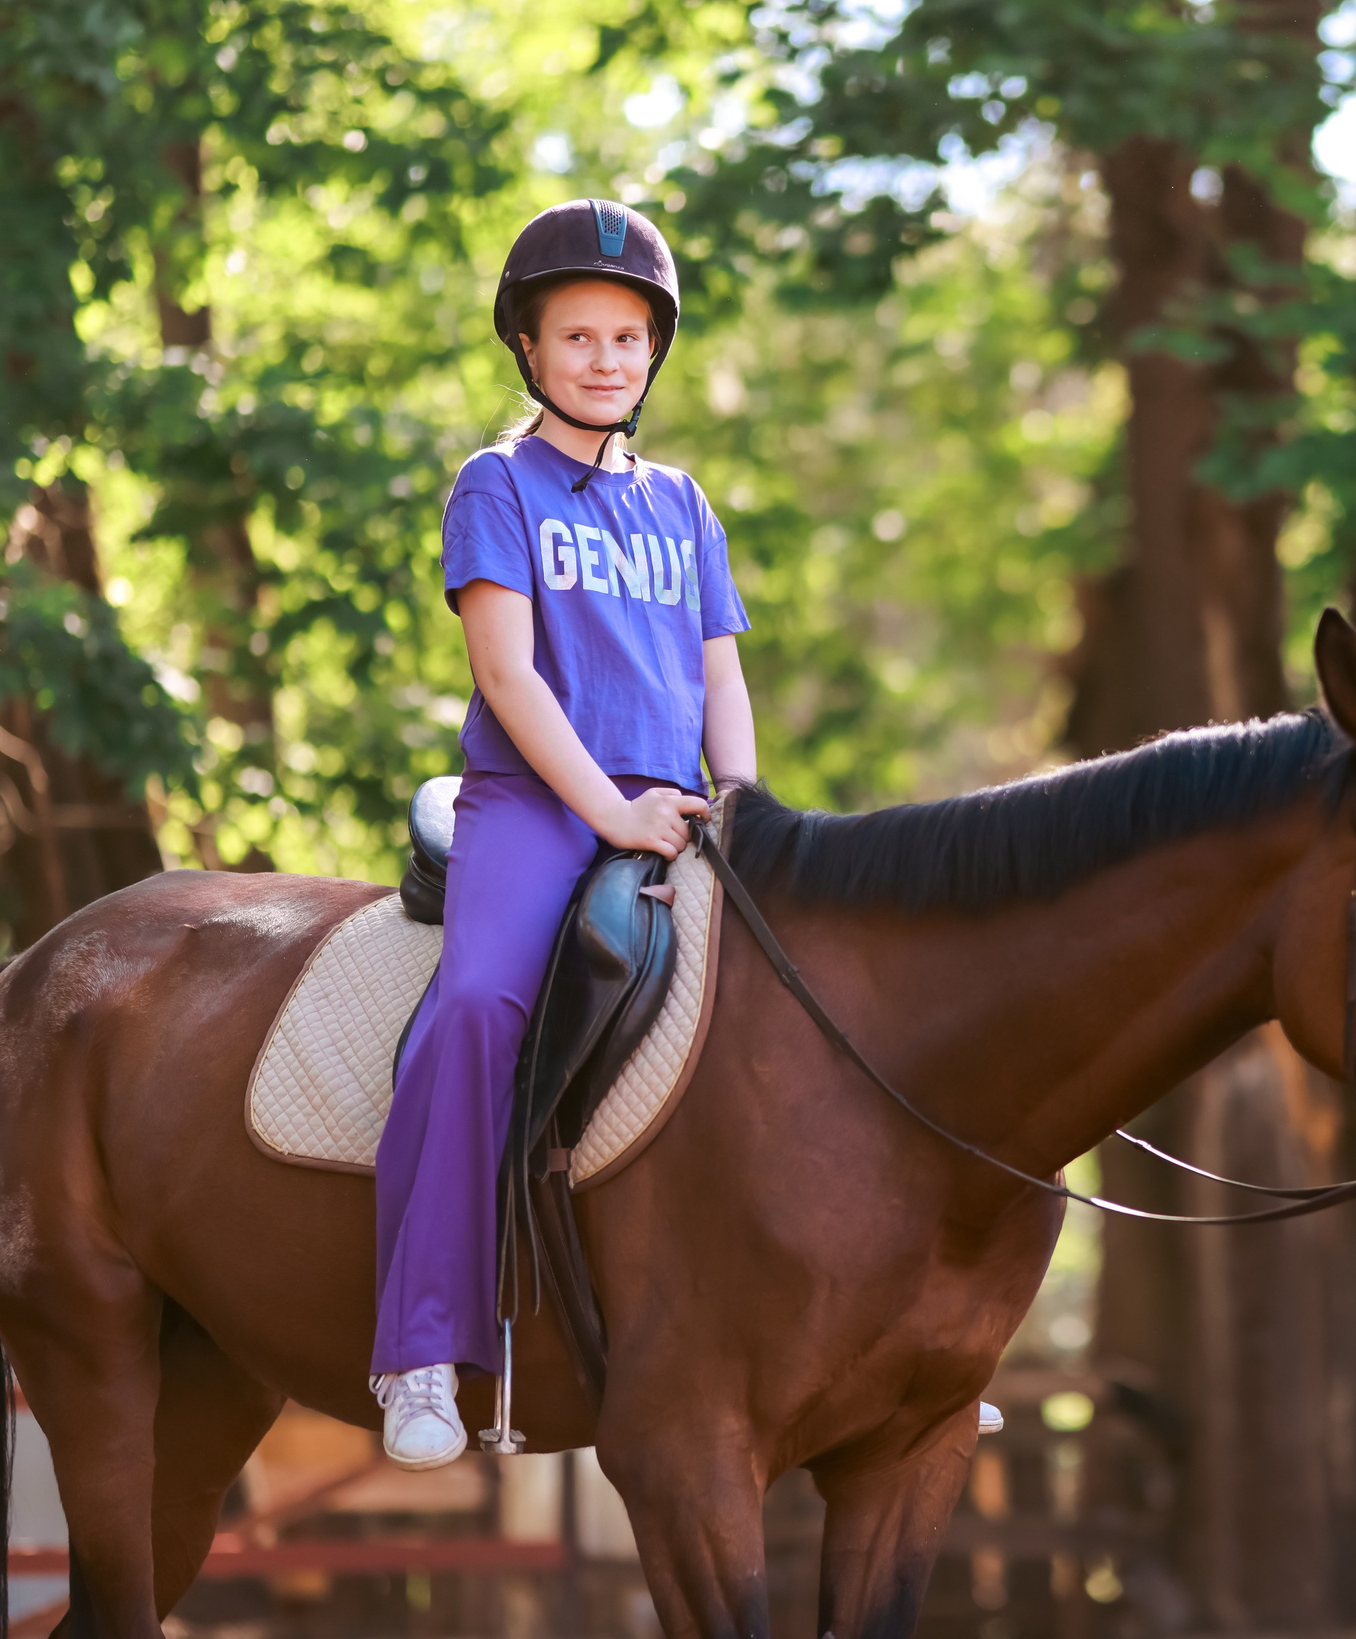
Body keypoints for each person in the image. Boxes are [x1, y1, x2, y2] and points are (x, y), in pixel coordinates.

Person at [370, 199, 756, 1469]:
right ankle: (421, 1350)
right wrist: (611, 813)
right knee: (477, 1004)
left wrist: (741, 801)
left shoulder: (684, 503)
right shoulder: (496, 485)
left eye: (628, 337)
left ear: (654, 356)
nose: (605, 357)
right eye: (577, 334)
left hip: (678, 803)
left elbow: (718, 675)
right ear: (529, 350)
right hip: (542, 803)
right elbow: (512, 678)